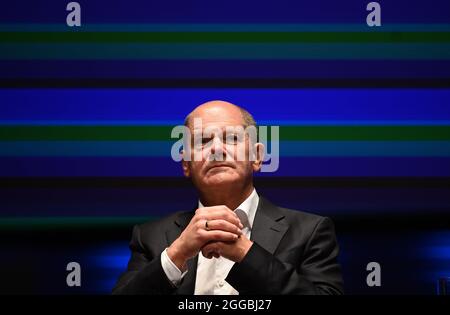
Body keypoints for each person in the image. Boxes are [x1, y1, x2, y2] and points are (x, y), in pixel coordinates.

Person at [112, 100, 343, 295]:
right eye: (203, 141)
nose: (217, 149)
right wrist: (177, 253)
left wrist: (246, 253)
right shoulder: (150, 236)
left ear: (257, 156)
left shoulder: (310, 231)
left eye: (232, 138)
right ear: (186, 164)